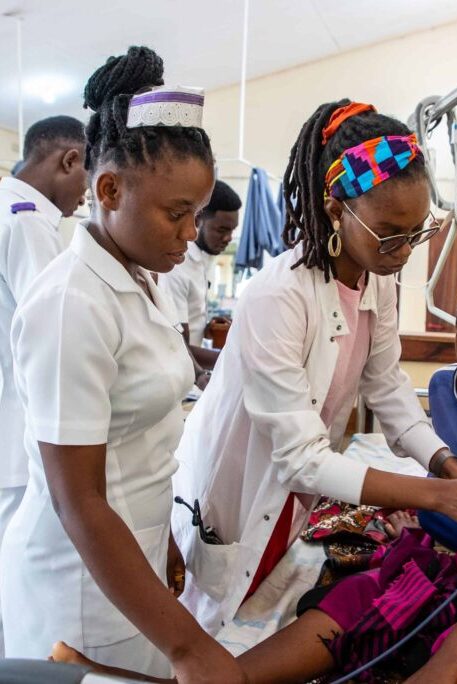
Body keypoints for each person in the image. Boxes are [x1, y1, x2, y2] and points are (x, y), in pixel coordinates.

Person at [50, 259, 457, 684]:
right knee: (316, 636)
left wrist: (450, 658)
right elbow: (400, 439)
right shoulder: (443, 386)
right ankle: (106, 678)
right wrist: (442, 490)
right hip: (430, 562)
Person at [170, 100, 457, 636]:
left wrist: (448, 466)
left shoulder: (378, 278)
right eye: (390, 233)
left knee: (257, 616)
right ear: (337, 210)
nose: (405, 251)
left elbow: (387, 387)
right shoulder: (278, 295)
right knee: (208, 629)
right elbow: (299, 458)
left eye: (417, 233)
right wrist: (442, 496)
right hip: (235, 489)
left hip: (292, 493)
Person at [0, 46, 245, 683]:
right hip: (77, 580)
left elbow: (136, 440)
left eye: (195, 213)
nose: (190, 233)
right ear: (108, 190)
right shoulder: (69, 303)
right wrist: (190, 646)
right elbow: (78, 498)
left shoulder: (143, 278)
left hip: (128, 560)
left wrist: (159, 534)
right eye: (176, 213)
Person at [0, 115, 87, 654]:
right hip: (14, 434)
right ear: (69, 161)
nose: (85, 196)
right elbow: (58, 328)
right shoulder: (29, 220)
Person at [158, 179, 241, 385]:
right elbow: (178, 343)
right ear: (198, 220)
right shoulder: (177, 268)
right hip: (177, 375)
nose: (228, 238)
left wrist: (209, 326)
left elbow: (191, 324)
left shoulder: (201, 262)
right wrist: (235, 359)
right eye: (221, 230)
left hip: (190, 371)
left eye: (231, 231)